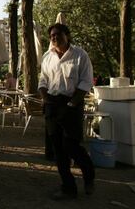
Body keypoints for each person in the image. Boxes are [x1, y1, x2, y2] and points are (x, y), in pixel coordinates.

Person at [38, 23, 95, 200]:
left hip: (72, 103)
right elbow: (43, 81)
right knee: (58, 149)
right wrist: (46, 99)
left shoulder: (80, 55)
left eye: (57, 34)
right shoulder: (47, 57)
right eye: (52, 36)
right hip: (52, 104)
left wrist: (72, 105)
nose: (54, 38)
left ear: (67, 35)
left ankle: (89, 174)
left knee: (71, 145)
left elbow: (85, 83)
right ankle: (68, 188)